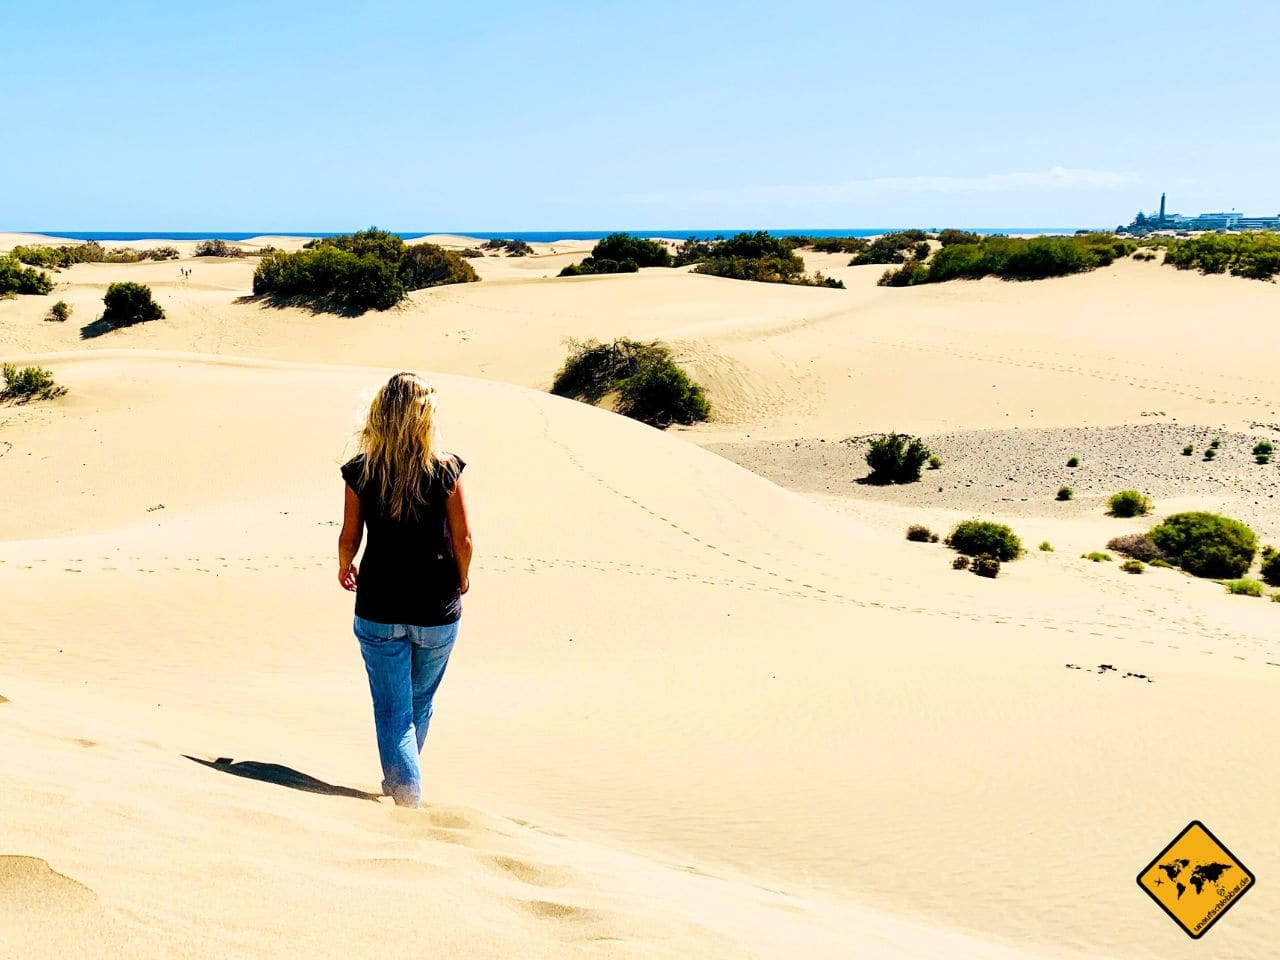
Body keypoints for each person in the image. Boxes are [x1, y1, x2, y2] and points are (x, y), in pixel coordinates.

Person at [338, 372, 472, 807]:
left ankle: (405, 801)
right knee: (417, 706)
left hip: (379, 605)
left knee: (395, 713)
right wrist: (463, 578)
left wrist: (345, 565)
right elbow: (464, 539)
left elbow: (348, 536)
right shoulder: (445, 468)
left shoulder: (362, 470)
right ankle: (403, 791)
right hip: (436, 609)